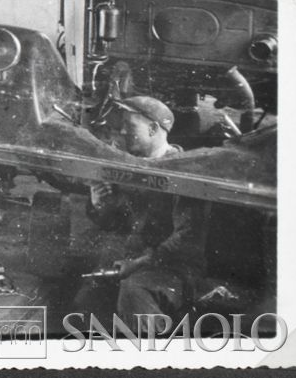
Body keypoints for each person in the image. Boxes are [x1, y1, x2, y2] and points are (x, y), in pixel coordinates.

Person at [79, 95, 209, 334]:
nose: (122, 132)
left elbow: (186, 239)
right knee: (87, 297)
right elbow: (115, 223)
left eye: (130, 126)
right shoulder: (132, 165)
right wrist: (99, 203)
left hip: (172, 267)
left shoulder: (185, 173)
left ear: (152, 128)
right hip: (133, 259)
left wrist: (139, 262)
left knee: (134, 294)